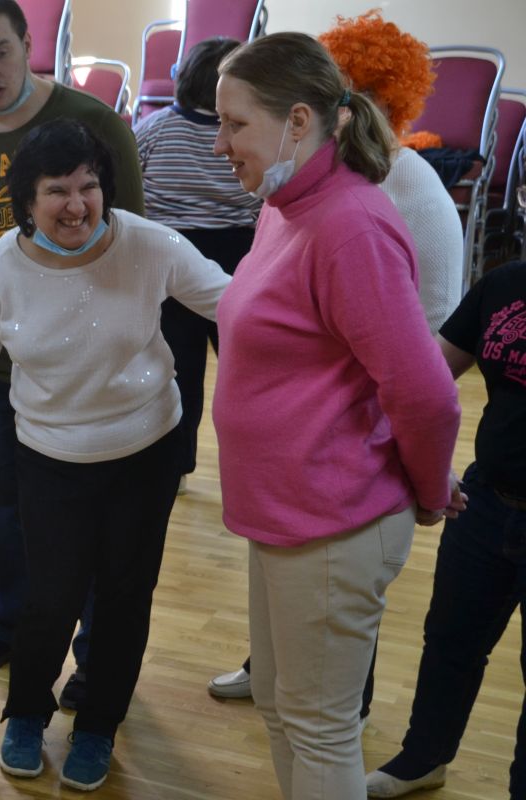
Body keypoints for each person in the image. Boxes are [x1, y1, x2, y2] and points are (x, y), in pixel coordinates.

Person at [0, 119, 230, 792]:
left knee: (124, 597)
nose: (77, 204)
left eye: (89, 186)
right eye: (57, 190)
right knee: (48, 598)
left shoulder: (149, 245)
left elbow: (235, 303)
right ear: (27, 200)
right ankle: (27, 713)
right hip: (51, 458)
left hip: (146, 451)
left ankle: (100, 724)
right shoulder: (0, 270)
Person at [211, 33, 463, 799]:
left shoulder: (351, 225)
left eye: (234, 124)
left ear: (298, 121)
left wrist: (429, 491)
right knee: (282, 709)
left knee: (319, 729)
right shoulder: (285, 204)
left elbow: (425, 392)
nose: (220, 144)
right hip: (284, 513)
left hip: (332, 519)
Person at [0, 0, 146, 707]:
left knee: (87, 520)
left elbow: (135, 245)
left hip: (85, 369)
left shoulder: (96, 122)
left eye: (0, 52)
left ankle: (94, 653)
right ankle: (13, 624)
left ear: (29, 43)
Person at [365, 259, 526, 798]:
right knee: (450, 639)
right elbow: (429, 380)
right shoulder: (505, 283)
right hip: (488, 501)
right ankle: (424, 758)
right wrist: (428, 465)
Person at [133, 36, 261, 491]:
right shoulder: (248, 134)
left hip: (171, 261)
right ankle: (255, 461)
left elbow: (131, 188)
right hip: (237, 257)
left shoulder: (154, 128)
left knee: (179, 368)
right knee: (246, 369)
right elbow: (263, 199)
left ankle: (179, 466)